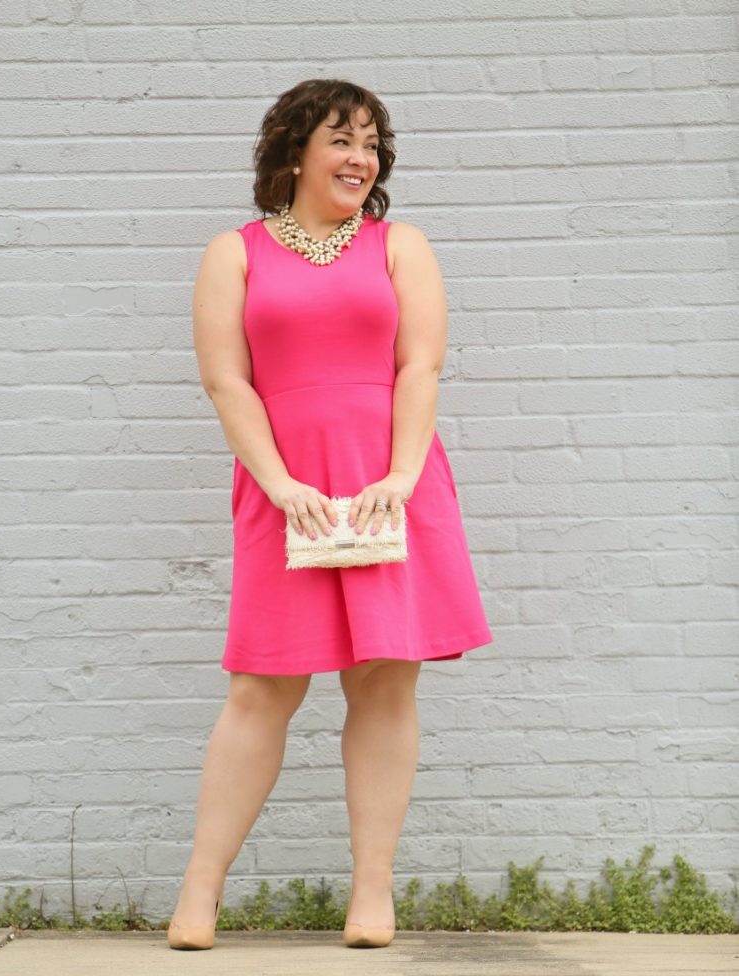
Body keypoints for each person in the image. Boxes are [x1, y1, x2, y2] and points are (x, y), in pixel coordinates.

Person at [167, 78, 494, 951]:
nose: (361, 157)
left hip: (390, 482)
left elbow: (419, 368)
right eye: (341, 139)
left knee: (384, 678)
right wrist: (279, 484)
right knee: (262, 687)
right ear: (295, 152)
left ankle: (372, 893)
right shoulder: (233, 254)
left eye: (372, 142)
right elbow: (226, 380)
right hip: (288, 491)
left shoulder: (400, 247)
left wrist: (402, 473)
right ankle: (199, 892)